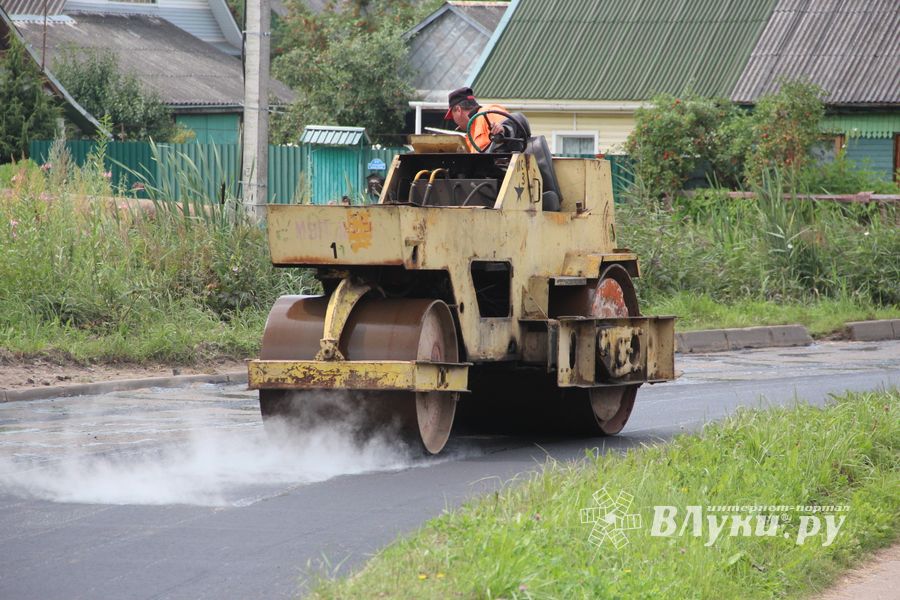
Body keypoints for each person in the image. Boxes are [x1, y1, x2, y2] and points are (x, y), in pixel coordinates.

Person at [444, 87, 509, 153]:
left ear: (458, 110)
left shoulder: (489, 112)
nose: (454, 121)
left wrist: (504, 129)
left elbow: (509, 128)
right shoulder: (470, 136)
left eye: (453, 116)